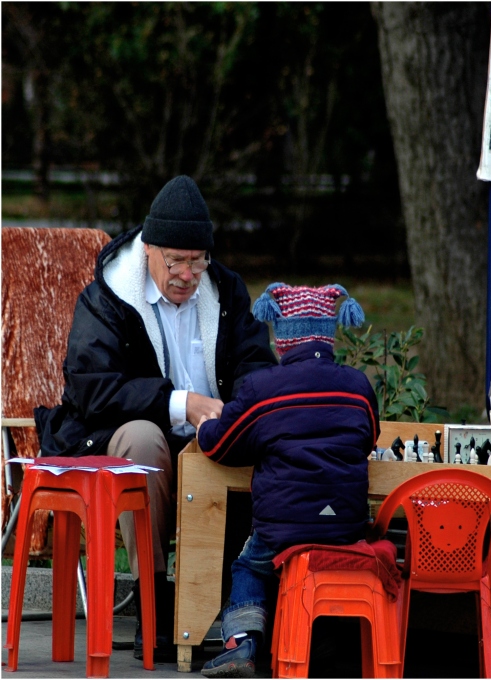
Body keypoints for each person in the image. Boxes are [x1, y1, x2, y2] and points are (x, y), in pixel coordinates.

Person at [34, 175, 278, 662]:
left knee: (262, 439)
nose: (189, 274)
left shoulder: (225, 293)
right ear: (149, 250)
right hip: (117, 435)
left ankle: (237, 602)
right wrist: (181, 403)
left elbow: (257, 367)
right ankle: (156, 599)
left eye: (198, 261)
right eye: (177, 262)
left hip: (211, 438)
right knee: (146, 442)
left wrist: (235, 413)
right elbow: (92, 387)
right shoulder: (107, 298)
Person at [196, 283, 380, 678]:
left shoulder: (263, 389)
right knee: (319, 561)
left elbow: (221, 447)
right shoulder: (359, 386)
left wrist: (204, 426)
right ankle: (320, 640)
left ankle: (241, 643)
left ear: (282, 339)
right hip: (346, 524)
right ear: (330, 335)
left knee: (250, 565)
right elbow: (370, 438)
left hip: (284, 524)